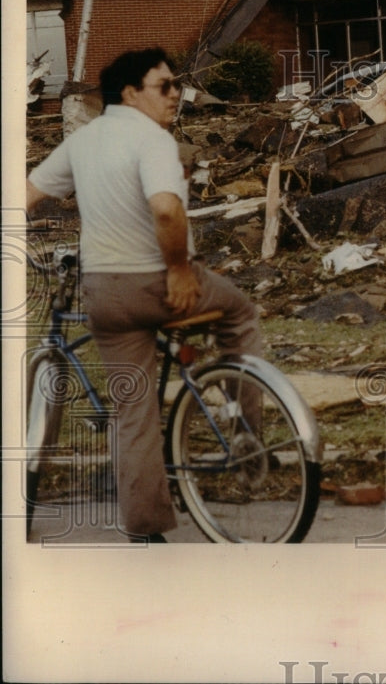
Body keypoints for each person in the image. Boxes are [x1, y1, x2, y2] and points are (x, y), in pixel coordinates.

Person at [26, 47, 263, 542]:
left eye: (176, 85)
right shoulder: (152, 140)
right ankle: (248, 430)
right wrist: (178, 269)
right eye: (165, 86)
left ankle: (146, 530)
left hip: (105, 295)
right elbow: (166, 211)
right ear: (131, 93)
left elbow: (25, 194)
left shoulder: (83, 140)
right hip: (158, 283)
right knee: (239, 312)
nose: (176, 93)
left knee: (132, 410)